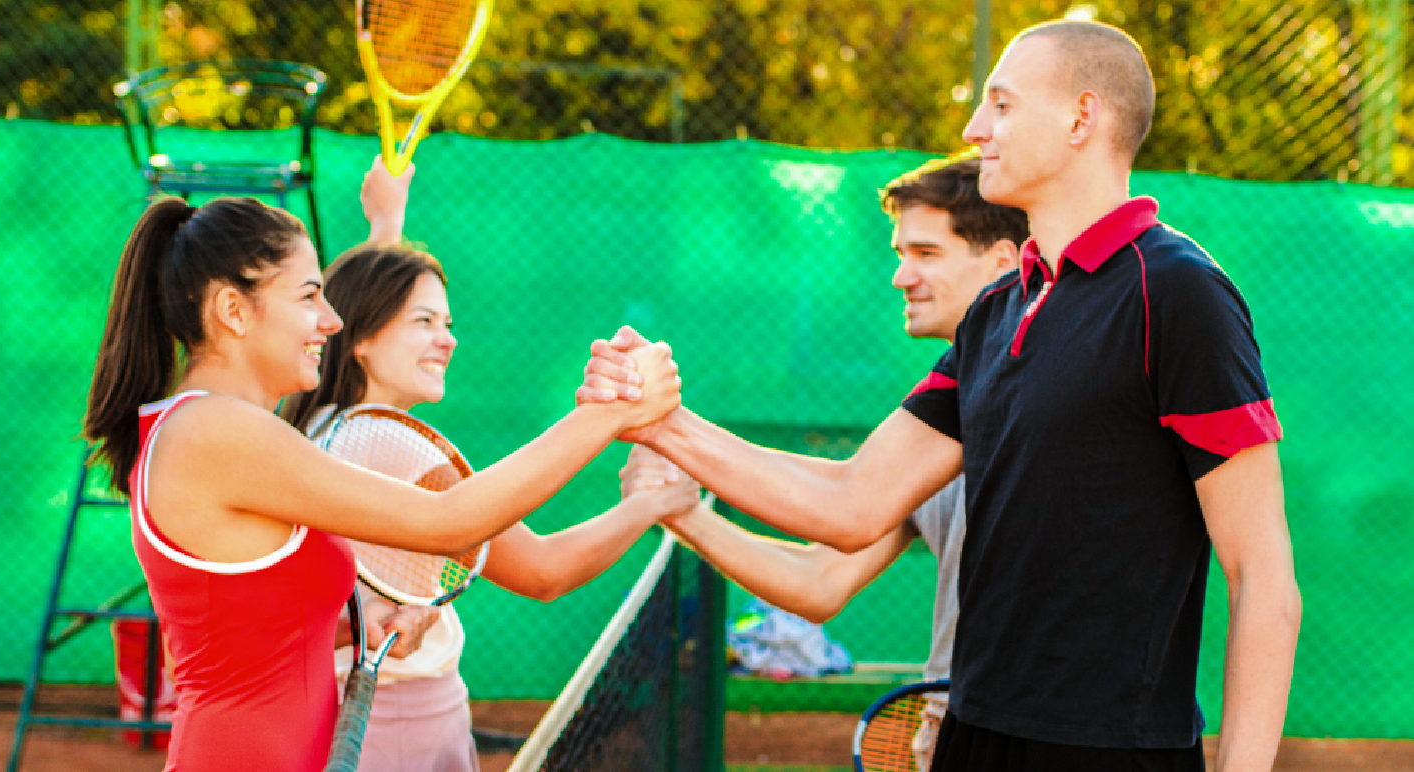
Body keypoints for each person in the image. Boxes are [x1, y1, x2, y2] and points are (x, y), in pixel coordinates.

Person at [581, 19, 1299, 772]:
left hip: (1106, 751)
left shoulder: (1177, 291)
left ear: (1081, 118)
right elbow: (852, 501)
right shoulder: (997, 312)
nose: (973, 128)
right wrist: (660, 420)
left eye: (1000, 104)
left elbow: (1262, 578)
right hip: (971, 732)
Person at [82, 191, 680, 772]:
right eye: (310, 295)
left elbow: (249, 638)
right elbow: (452, 523)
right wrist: (607, 413)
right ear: (232, 310)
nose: (331, 320)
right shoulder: (218, 431)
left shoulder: (210, 428)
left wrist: (364, 621)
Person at [281, 158, 704, 772]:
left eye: (448, 323)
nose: (447, 338)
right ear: (361, 338)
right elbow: (543, 571)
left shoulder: (317, 427)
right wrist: (655, 503)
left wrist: (387, 227)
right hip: (401, 724)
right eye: (425, 322)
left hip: (350, 714)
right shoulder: (395, 447)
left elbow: (365, 301)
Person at [618, 151, 1028, 770]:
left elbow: (845, 499)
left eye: (926, 254)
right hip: (949, 729)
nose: (902, 276)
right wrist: (684, 515)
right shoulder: (941, 418)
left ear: (1003, 263)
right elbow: (820, 580)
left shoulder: (1045, 404)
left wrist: (667, 426)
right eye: (900, 255)